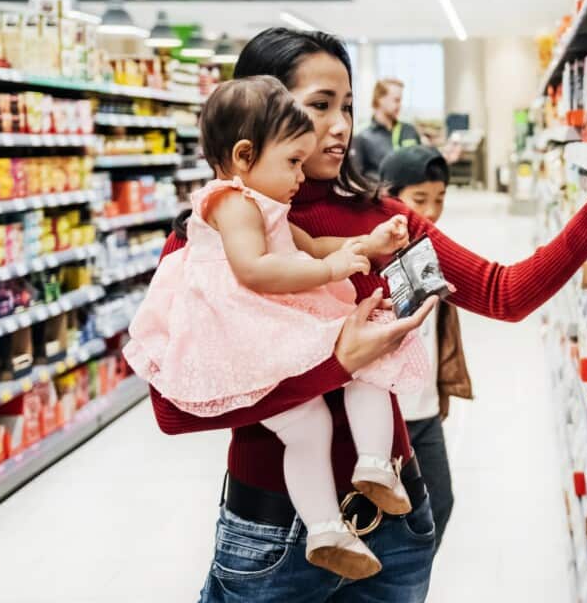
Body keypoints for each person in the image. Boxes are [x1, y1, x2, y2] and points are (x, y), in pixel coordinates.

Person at [148, 27, 587, 603]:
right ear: (263, 113)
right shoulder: (211, 238)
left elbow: (503, 293)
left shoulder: (381, 220)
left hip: (394, 531)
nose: (339, 127)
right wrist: (338, 363)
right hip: (273, 538)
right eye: (318, 106)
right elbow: (172, 409)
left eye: (348, 106)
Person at [126, 76, 434, 581]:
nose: (299, 175)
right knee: (332, 398)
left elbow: (311, 247)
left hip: (276, 326)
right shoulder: (232, 203)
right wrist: (334, 272)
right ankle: (335, 512)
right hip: (250, 334)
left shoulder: (267, 204)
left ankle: (359, 486)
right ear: (245, 156)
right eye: (292, 161)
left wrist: (370, 242)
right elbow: (255, 271)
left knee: (346, 390)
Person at [377, 145, 468, 553]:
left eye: (440, 200)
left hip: (424, 409)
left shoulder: (432, 251)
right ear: (390, 197)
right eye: (419, 200)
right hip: (385, 413)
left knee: (440, 503)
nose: (431, 212)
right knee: (389, 517)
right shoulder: (372, 256)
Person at [352, 78, 421, 178]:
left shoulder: (410, 130)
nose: (400, 105)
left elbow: (421, 165)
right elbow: (356, 177)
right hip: (379, 191)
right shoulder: (361, 136)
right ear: (380, 99)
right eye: (396, 100)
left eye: (400, 100)